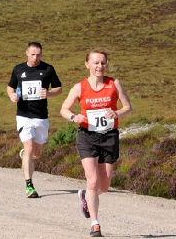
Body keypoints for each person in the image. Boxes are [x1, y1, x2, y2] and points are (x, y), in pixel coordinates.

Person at [60, 48, 132, 238]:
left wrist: (117, 113)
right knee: (92, 181)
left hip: (109, 136)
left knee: (105, 186)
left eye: (103, 63)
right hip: (87, 136)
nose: (100, 66)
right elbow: (64, 109)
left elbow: (128, 107)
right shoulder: (79, 87)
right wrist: (74, 116)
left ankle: (85, 197)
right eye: (96, 63)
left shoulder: (114, 83)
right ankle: (95, 223)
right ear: (87, 65)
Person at [7, 42, 62, 198]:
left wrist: (49, 93)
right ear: (26, 53)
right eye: (33, 54)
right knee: (30, 148)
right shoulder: (18, 69)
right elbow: (10, 87)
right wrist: (11, 95)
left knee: (36, 153)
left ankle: (27, 154)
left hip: (41, 117)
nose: (35, 57)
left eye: (38, 54)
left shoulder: (48, 69)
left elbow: (59, 88)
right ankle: (29, 185)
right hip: (24, 116)